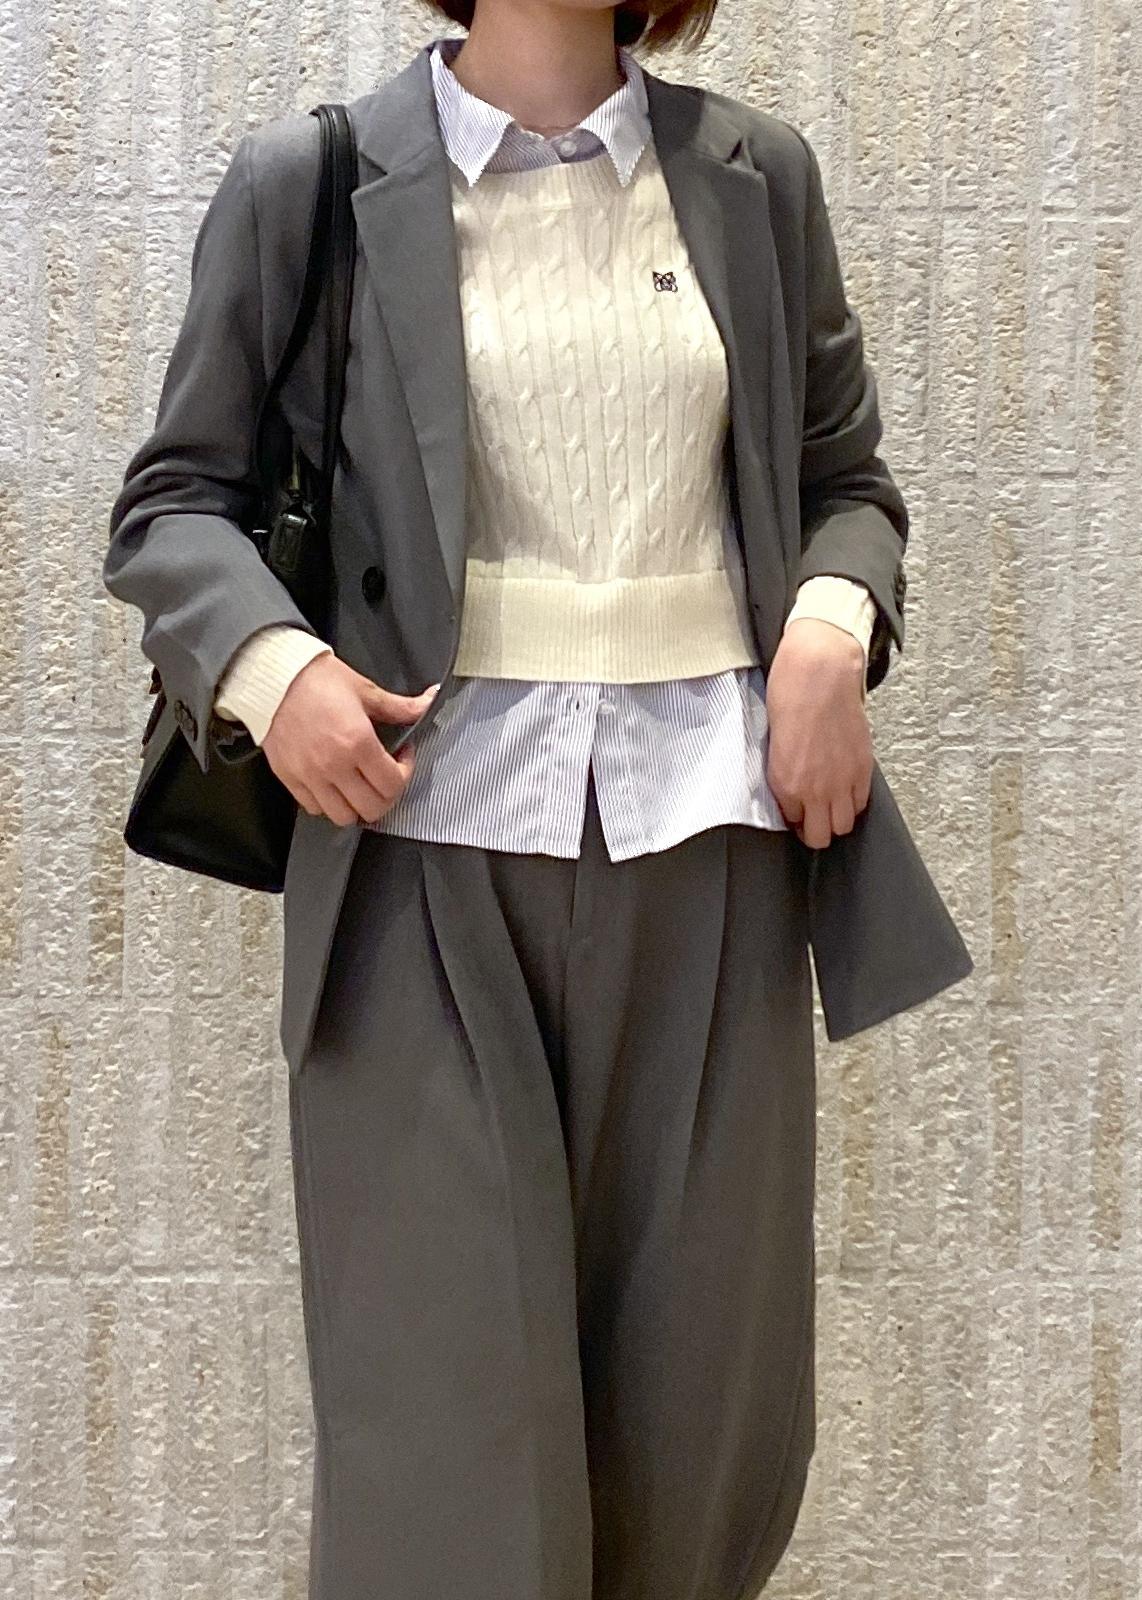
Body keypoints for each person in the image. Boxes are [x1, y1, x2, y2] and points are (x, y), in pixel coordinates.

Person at [103, 1, 967, 1594]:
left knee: (699, 1439)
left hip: (712, 856)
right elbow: (173, 507)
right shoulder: (315, 180)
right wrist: (275, 669)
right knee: (449, 1461)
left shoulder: (753, 177)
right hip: (416, 869)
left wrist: (830, 631)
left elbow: (844, 485)